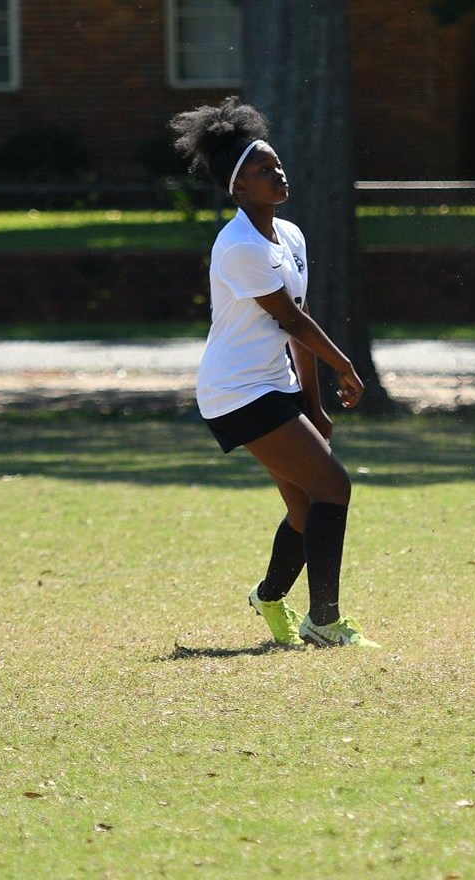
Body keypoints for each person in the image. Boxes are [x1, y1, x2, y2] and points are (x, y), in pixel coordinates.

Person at [171, 97, 376, 648]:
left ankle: (268, 598)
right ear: (239, 189)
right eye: (264, 170)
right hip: (236, 390)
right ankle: (325, 621)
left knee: (308, 509)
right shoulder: (237, 245)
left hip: (273, 384)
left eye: (277, 163)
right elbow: (289, 317)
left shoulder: (290, 236)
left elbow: (296, 324)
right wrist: (347, 366)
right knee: (334, 485)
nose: (278, 172)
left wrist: (314, 403)